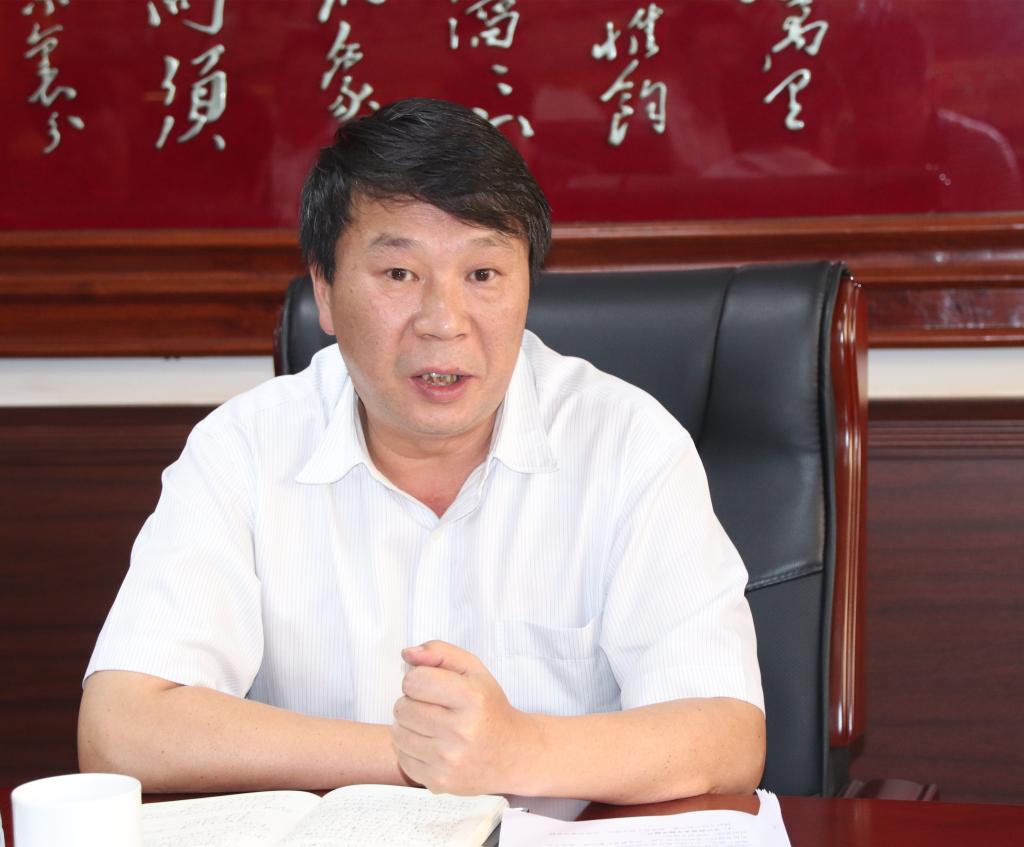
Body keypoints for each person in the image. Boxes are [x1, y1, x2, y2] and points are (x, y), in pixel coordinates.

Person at [78, 98, 765, 803]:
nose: (444, 322)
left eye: (483, 274)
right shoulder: (244, 449)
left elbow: (726, 734)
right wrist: (423, 755)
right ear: (325, 290)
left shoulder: (626, 444)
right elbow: (121, 727)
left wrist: (521, 750)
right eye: (399, 274)